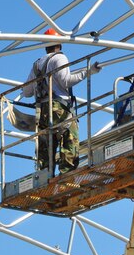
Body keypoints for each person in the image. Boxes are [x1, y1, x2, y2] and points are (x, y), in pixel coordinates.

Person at [23, 28, 101, 175]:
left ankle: (44, 176)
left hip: (42, 110)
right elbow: (66, 81)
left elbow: (26, 92)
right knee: (69, 138)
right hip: (59, 107)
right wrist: (89, 71)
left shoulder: (37, 64)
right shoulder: (60, 58)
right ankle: (67, 175)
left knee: (46, 145)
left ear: (45, 45)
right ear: (60, 43)